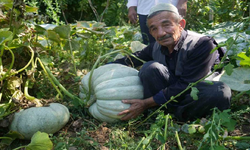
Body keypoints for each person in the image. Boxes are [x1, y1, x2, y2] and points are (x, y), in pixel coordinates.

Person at [112, 3, 231, 122]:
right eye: (154, 29)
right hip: (171, 93)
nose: (161, 33)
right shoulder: (156, 46)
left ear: (181, 25)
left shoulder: (202, 44)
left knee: (218, 91)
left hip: (194, 93)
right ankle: (165, 111)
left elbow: (188, 84)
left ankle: (173, 113)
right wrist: (101, 69)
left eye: (166, 25)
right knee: (150, 68)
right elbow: (132, 59)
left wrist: (145, 103)